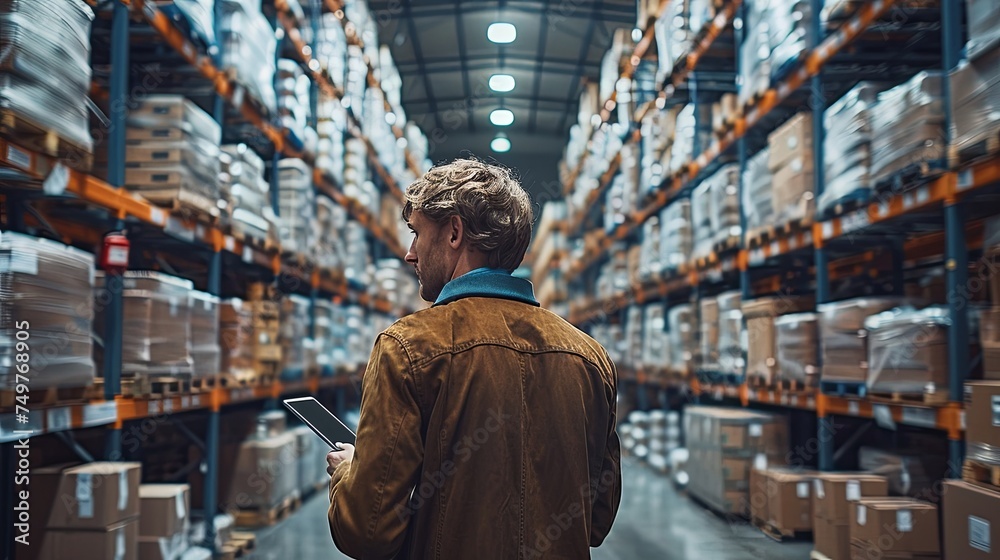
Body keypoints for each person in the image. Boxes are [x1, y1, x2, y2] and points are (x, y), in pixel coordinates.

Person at [326, 158, 621, 559]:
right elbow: (597, 519)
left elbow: (368, 529)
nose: (410, 254)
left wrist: (348, 473)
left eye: (416, 233)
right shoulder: (589, 358)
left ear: (453, 232)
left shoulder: (408, 348)